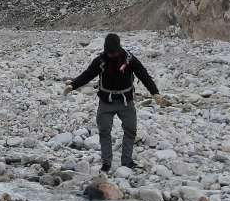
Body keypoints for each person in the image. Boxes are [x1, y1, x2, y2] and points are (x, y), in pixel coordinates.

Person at [65, 33, 164, 172]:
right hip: (106, 102)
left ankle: (127, 161)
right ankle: (106, 163)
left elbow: (144, 75)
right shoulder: (100, 61)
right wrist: (73, 85)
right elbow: (88, 74)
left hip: (126, 102)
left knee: (130, 130)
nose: (111, 55)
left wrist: (155, 92)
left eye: (114, 53)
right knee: (104, 131)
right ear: (105, 49)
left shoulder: (129, 60)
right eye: (109, 53)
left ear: (119, 48)